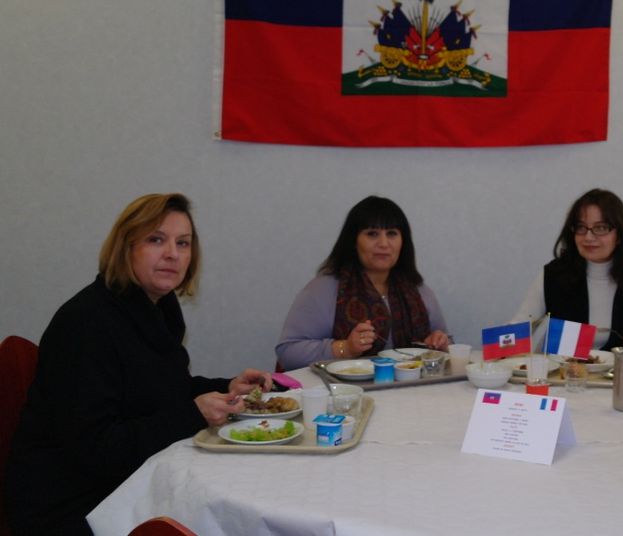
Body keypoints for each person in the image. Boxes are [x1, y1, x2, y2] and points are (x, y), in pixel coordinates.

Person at [4, 194, 273, 535]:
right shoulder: (86, 323)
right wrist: (193, 413)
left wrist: (227, 387)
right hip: (71, 505)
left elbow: (161, 389)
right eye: (156, 239)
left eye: (183, 243)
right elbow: (97, 448)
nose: (173, 254)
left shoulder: (156, 308)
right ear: (126, 247)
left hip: (122, 483)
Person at [275, 196, 449, 370]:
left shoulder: (419, 291)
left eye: (392, 234)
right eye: (372, 234)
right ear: (353, 242)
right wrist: (345, 348)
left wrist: (438, 344)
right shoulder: (324, 289)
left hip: (410, 391)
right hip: (340, 393)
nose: (383, 243)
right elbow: (288, 353)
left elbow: (447, 345)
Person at [511, 188, 623, 352]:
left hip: (618, 377)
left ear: (619, 235)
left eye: (601, 228)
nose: (589, 237)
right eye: (581, 227)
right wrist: (491, 355)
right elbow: (519, 328)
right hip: (561, 375)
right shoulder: (553, 276)